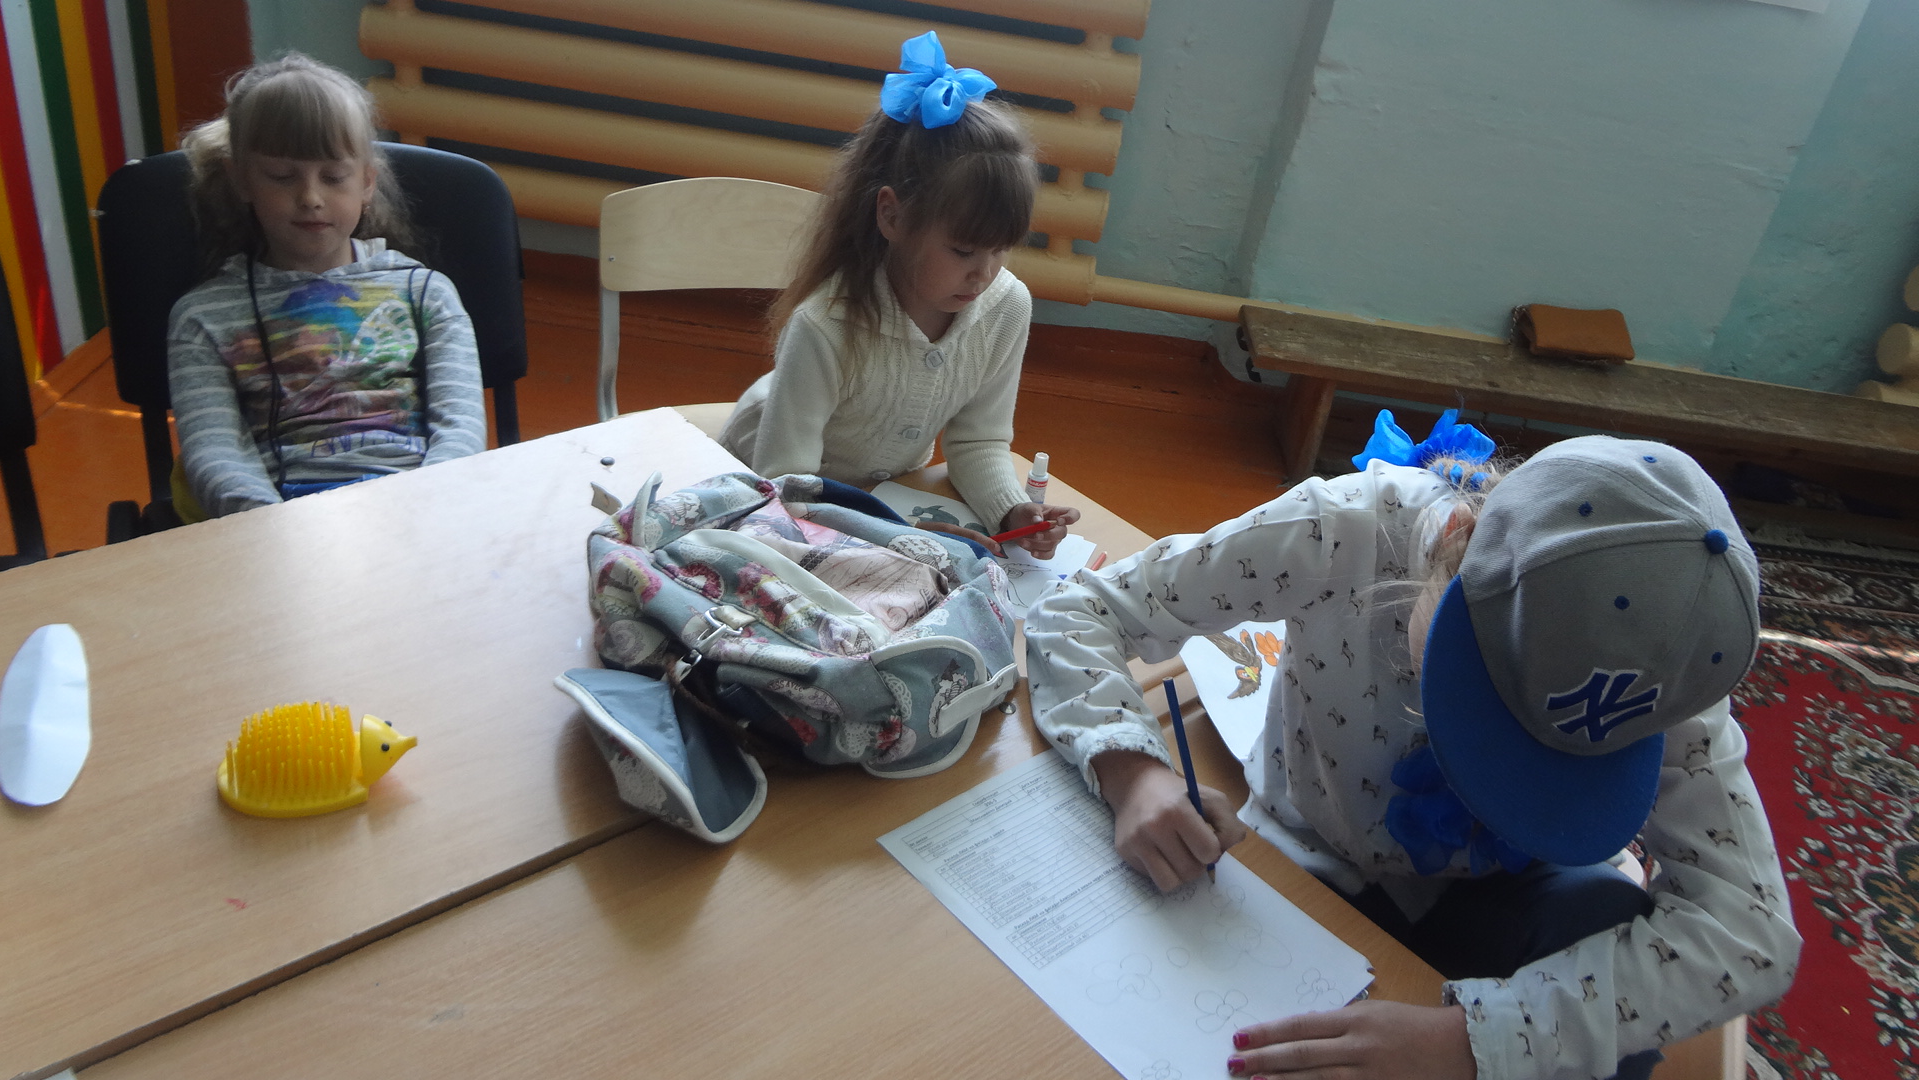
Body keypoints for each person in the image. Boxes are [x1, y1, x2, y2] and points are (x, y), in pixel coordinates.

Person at [1025, 411, 1800, 1080]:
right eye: (1480, 703)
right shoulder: (1341, 529)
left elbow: (1752, 932)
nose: (1493, 760)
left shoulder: (1665, 668)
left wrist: (1476, 1042)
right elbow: (1080, 611)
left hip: (1504, 897)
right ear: (1455, 538)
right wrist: (1133, 772)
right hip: (1313, 863)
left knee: (1603, 915)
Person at [719, 31, 1078, 558]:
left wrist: (1011, 509)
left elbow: (978, 441)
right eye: (962, 250)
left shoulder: (1007, 306)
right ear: (892, 215)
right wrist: (900, 532)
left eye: (1001, 249)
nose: (983, 275)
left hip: (885, 494)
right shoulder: (825, 326)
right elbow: (788, 490)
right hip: (765, 487)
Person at [168, 52, 486, 519]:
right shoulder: (203, 318)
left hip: (420, 512)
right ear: (241, 180)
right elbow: (215, 454)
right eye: (282, 177)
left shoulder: (425, 294)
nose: (311, 198)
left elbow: (460, 430)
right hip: (276, 525)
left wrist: (425, 509)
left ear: (367, 182)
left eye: (334, 177)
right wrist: (271, 528)